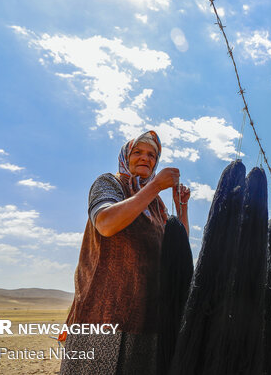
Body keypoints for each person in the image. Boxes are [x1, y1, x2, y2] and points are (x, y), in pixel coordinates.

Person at [60, 130, 190, 375]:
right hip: (103, 315)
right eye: (138, 152)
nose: (145, 158)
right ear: (125, 156)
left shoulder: (158, 207)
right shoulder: (110, 183)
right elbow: (106, 223)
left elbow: (177, 251)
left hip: (146, 318)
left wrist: (181, 205)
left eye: (152, 154)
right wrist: (154, 187)